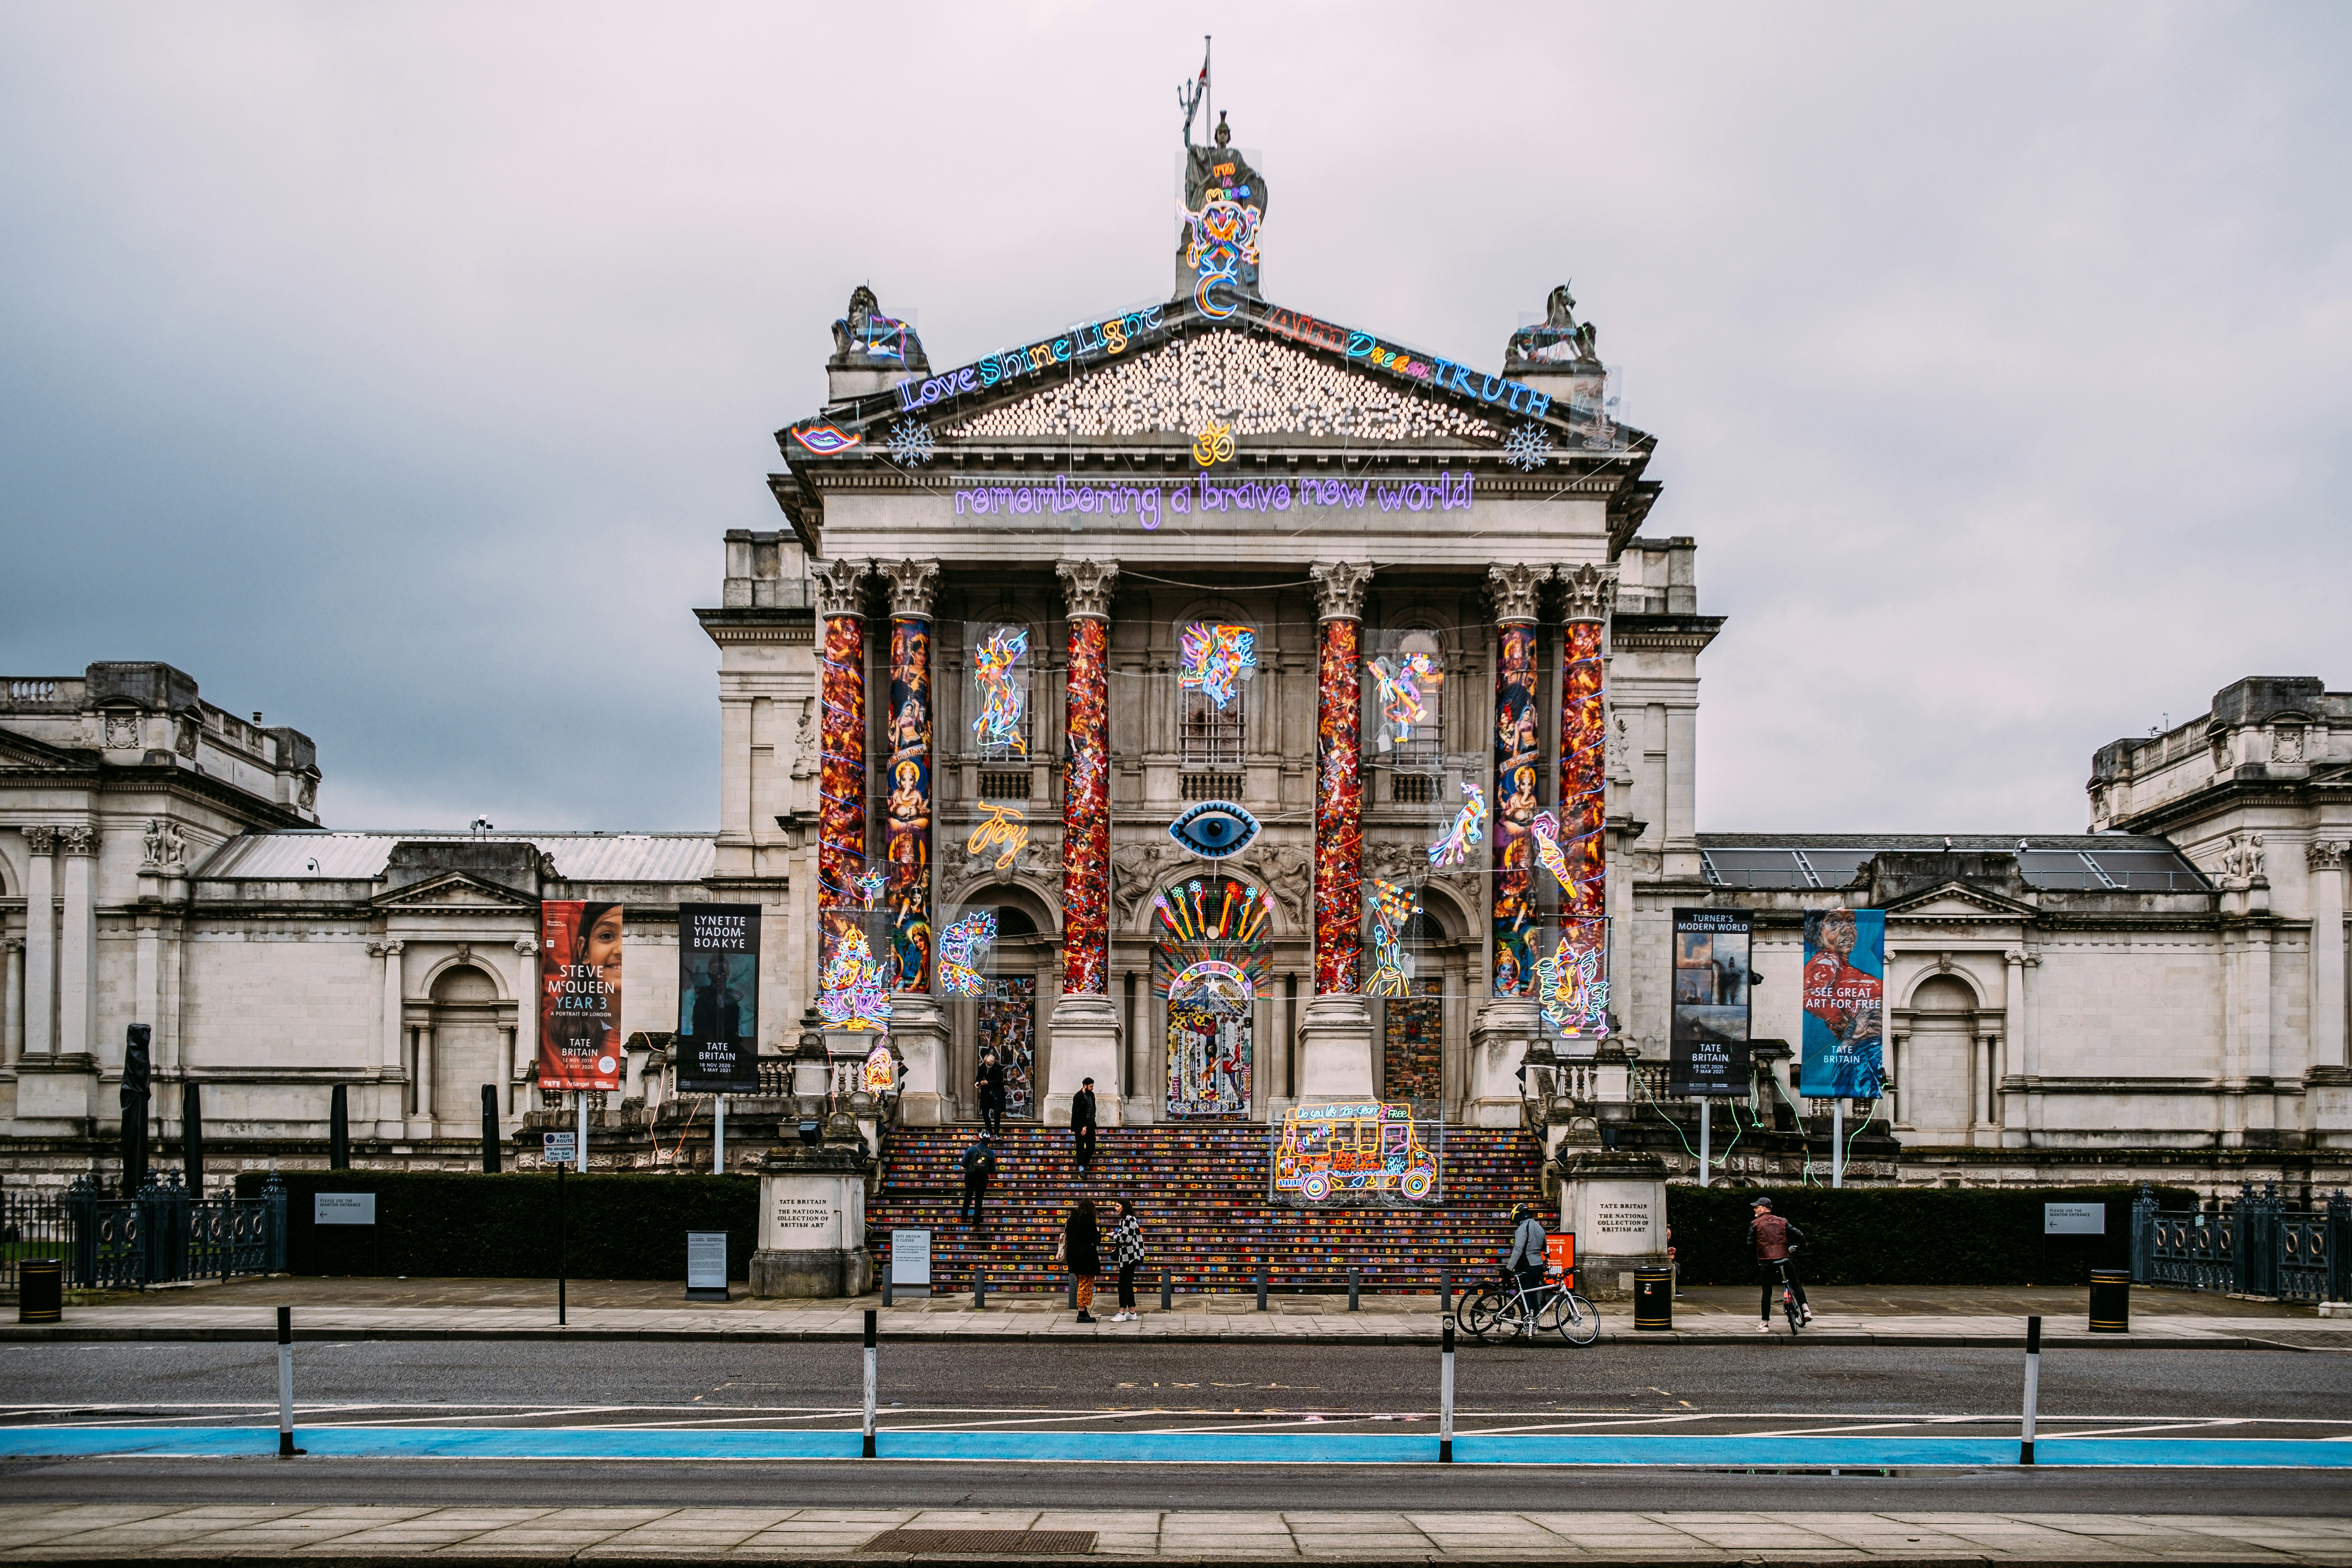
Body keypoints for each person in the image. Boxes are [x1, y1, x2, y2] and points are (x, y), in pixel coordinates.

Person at [1747, 1195, 1812, 1330]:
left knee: (1767, 1292)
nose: (1755, 1210)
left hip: (1766, 1262)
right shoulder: (1782, 1221)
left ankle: (1765, 1324)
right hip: (1784, 1258)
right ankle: (1806, 1310)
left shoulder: (1756, 1224)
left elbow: (1750, 1244)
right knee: (1795, 1284)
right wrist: (1800, 1247)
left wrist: (1759, 1256)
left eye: (1757, 1208)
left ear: (1764, 1208)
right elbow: (1799, 1235)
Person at [1057, 1197, 1102, 1324]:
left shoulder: (1071, 1219)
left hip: (1074, 1258)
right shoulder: (1089, 1221)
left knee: (1080, 1285)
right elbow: (1096, 1240)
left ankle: (1085, 1311)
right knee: (1086, 1286)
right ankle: (1082, 1313)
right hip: (1086, 1258)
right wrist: (1098, 1231)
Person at [1503, 1202, 1549, 1323]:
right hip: (1539, 1266)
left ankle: (1527, 1324)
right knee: (1533, 1295)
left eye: (1516, 1220)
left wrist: (1509, 1269)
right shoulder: (1540, 1228)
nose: (1516, 1223)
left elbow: (1518, 1250)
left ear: (1518, 1217)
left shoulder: (1522, 1229)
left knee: (1526, 1296)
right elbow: (1544, 1248)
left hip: (1526, 1267)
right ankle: (1534, 1324)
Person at [1106, 1197, 1145, 1321]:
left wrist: (1113, 1235)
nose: (1116, 1208)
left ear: (1124, 1207)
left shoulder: (1127, 1219)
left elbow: (1125, 1239)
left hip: (1130, 1257)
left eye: (1118, 1206)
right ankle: (1132, 1312)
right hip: (1128, 1257)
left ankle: (1122, 1312)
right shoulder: (1128, 1219)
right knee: (1128, 1283)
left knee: (1123, 1284)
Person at [958, 1133, 996, 1225]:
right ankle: (976, 1224)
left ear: (979, 1138)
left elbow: (963, 1163)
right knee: (979, 1199)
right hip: (983, 1178)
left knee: (968, 1195)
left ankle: (964, 1218)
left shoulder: (972, 1149)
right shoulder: (991, 1153)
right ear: (989, 1141)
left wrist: (970, 1168)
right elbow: (993, 1170)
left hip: (970, 1176)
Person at [975, 1048, 1006, 1136]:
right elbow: (979, 1077)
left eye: (991, 1064)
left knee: (997, 1113)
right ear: (985, 1061)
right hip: (986, 1096)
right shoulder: (982, 1067)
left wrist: (988, 1083)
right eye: (988, 1064)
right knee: (985, 1113)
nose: (990, 1065)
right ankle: (990, 1132)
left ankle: (996, 1133)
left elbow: (999, 1081)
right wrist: (977, 1083)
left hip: (996, 1094)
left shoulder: (998, 1068)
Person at [1071, 1076, 1098, 1169]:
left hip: (1090, 1125)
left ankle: (1085, 1163)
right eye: (1091, 1086)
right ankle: (1081, 1167)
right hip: (1080, 1127)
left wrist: (1092, 1119)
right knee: (1081, 1147)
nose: (1092, 1088)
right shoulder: (1078, 1096)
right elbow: (1077, 1113)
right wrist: (1083, 1126)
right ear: (1085, 1086)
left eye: (1093, 1086)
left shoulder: (1092, 1095)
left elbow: (1093, 1108)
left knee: (1092, 1146)